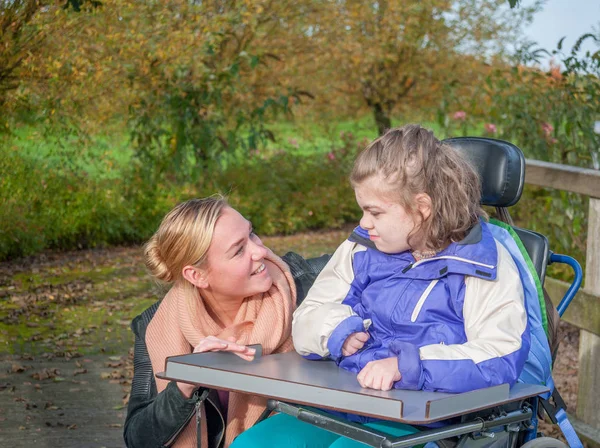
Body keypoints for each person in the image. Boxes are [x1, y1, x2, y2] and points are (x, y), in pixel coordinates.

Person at [234, 124, 531, 447]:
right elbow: (308, 317)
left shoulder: (482, 262)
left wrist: (407, 367)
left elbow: (500, 356)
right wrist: (336, 331)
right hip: (344, 403)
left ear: (422, 208)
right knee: (254, 444)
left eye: (374, 211)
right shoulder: (363, 248)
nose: (363, 222)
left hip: (425, 422)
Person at [123, 196, 337, 448]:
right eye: (238, 250)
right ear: (197, 276)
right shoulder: (155, 326)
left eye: (252, 234)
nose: (261, 251)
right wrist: (185, 381)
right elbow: (137, 437)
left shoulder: (308, 284)